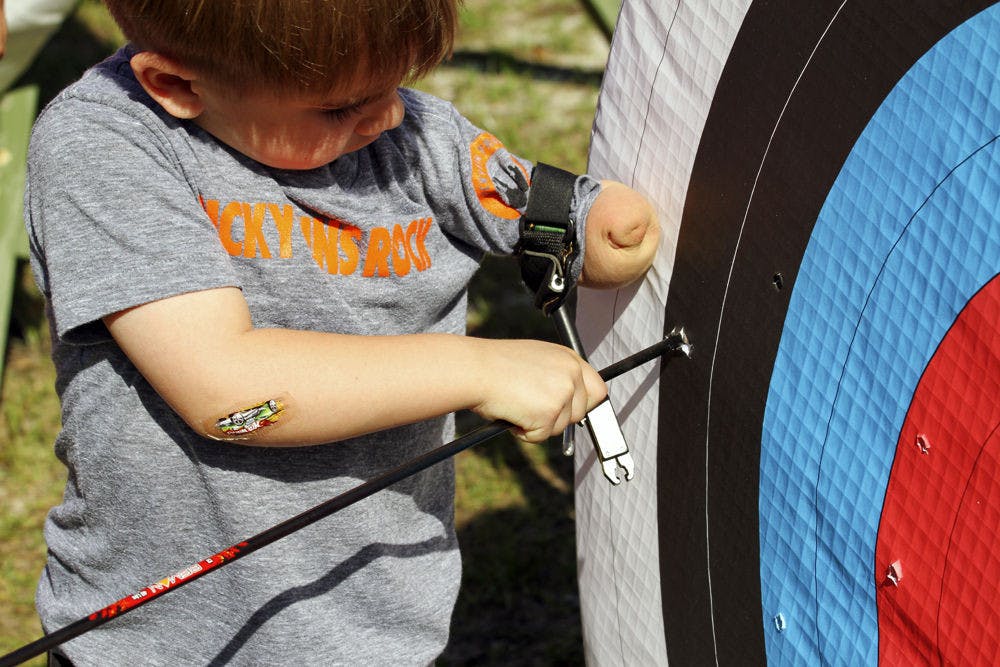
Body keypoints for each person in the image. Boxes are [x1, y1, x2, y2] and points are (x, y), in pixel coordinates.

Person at [24, 0, 659, 664]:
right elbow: (231, 395)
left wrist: (604, 225)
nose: (386, 117)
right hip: (161, 646)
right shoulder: (103, 143)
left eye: (397, 84)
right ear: (178, 85)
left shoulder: (404, 132)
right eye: (338, 107)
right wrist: (480, 369)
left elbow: (548, 214)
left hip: (375, 633)